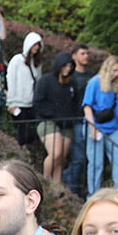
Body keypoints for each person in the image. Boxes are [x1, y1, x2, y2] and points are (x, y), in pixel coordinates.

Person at [83, 54, 118, 193]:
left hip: (112, 127)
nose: (116, 74)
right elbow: (87, 106)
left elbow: (117, 108)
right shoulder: (95, 82)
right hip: (96, 126)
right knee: (96, 164)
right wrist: (92, 127)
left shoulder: (117, 86)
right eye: (114, 70)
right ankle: (93, 194)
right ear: (107, 69)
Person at [34, 51, 78, 184]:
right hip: (48, 121)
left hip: (67, 124)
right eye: (65, 66)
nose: (67, 69)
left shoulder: (72, 83)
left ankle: (57, 186)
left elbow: (76, 104)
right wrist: (53, 114)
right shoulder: (46, 80)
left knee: (60, 159)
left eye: (70, 66)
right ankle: (46, 183)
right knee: (55, 153)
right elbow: (37, 102)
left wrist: (73, 118)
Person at [62, 44, 95, 197]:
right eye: (82, 53)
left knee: (90, 159)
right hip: (76, 122)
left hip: (92, 122)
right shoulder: (71, 77)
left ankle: (73, 182)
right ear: (74, 56)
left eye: (87, 53)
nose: (86, 56)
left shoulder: (92, 76)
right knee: (79, 158)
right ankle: (71, 186)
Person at [6, 31, 43, 146]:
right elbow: (11, 80)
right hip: (18, 104)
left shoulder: (36, 63)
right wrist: (11, 102)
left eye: (38, 45)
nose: (36, 47)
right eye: (34, 44)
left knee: (39, 130)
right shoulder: (17, 60)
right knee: (22, 135)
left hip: (32, 104)